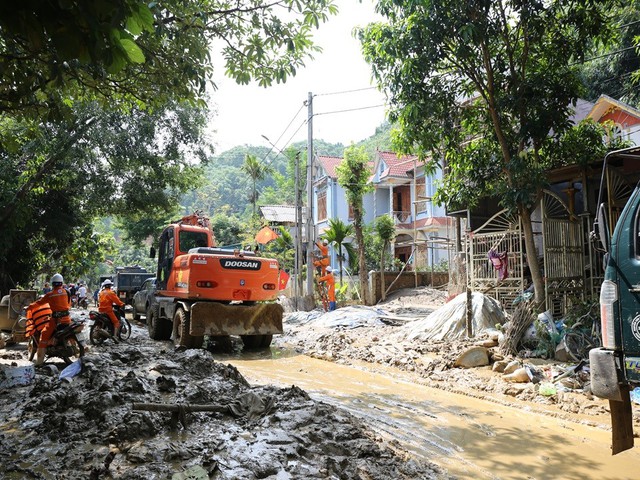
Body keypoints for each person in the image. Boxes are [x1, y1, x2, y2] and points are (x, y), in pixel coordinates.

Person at [26, 273, 71, 365]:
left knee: (43, 335)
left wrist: (29, 307)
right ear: (61, 282)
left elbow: (39, 303)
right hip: (67, 319)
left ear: (53, 283)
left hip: (56, 321)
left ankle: (39, 363)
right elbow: (68, 305)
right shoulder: (67, 292)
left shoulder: (50, 295)